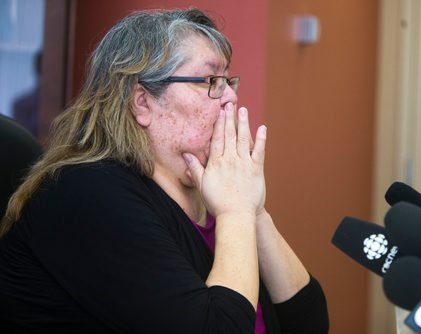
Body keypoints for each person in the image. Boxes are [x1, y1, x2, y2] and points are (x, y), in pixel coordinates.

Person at [0, 8, 329, 333]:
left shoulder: (214, 193)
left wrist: (254, 211)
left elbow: (309, 323)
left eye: (228, 80)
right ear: (142, 102)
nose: (230, 97)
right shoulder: (85, 193)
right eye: (210, 80)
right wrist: (237, 211)